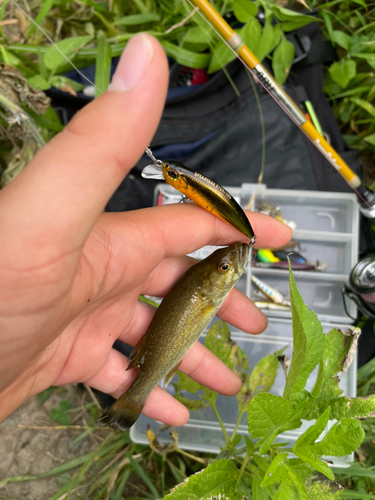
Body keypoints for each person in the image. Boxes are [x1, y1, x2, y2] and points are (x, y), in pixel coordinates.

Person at [0, 34, 292, 426]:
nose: (231, 263)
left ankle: (129, 402)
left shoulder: (208, 291)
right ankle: (131, 401)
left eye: (222, 268)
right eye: (223, 269)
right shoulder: (205, 293)